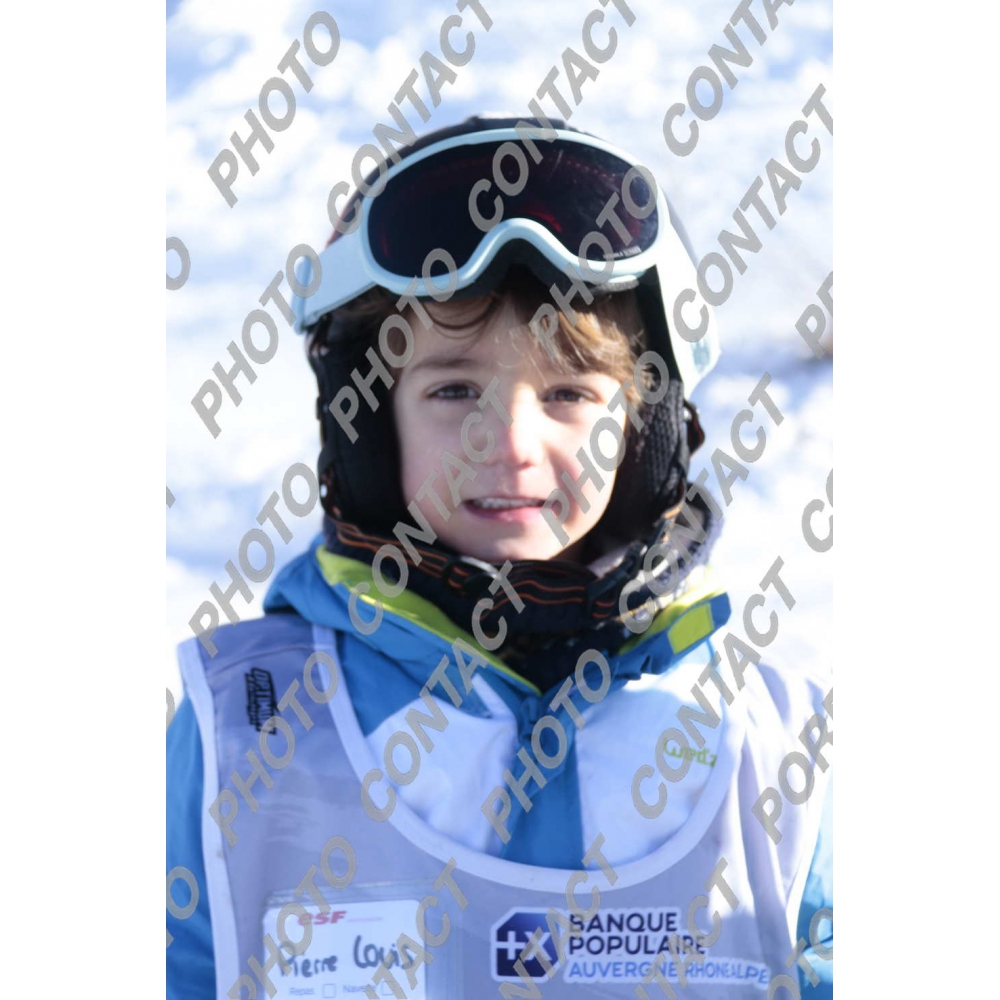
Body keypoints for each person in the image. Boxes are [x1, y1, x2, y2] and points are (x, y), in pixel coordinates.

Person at [167, 114, 832, 999]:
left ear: (644, 427)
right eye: (453, 389)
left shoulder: (773, 750)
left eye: (568, 394)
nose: (510, 444)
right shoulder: (246, 729)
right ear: (367, 421)